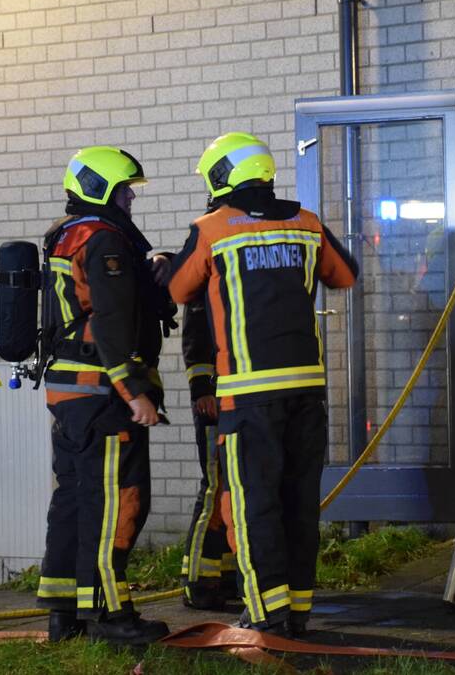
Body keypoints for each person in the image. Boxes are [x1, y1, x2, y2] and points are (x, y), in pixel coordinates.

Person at [167, 132, 358, 637]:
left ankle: (265, 613)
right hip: (307, 393)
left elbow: (175, 289)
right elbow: (345, 275)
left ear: (221, 177)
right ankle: (296, 611)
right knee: (299, 503)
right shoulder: (307, 223)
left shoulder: (211, 229)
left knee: (252, 505)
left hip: (249, 396)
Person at [35, 146, 174, 645]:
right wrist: (134, 390)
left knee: (73, 499)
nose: (132, 195)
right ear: (102, 189)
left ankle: (63, 613)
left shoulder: (65, 235)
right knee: (116, 503)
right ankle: (112, 617)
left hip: (70, 392)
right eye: (124, 188)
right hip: (103, 393)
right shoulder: (104, 240)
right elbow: (111, 320)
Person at [179, 295, 238, 609]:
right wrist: (202, 388)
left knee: (229, 488)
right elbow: (195, 333)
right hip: (212, 399)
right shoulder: (205, 267)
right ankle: (198, 583)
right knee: (214, 487)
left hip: (231, 396)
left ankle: (224, 577)